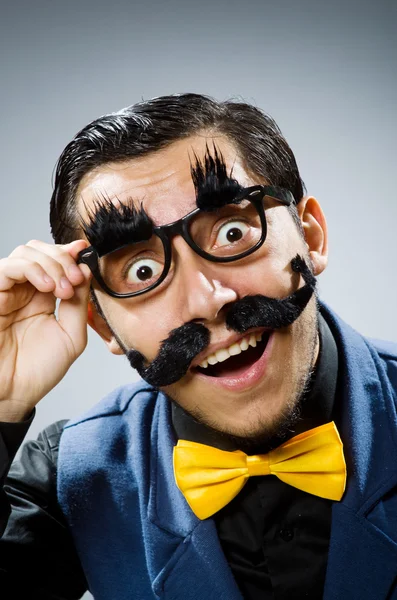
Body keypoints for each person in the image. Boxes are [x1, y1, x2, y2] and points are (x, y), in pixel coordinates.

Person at [0, 93, 396, 600]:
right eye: (142, 271)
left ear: (310, 238)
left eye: (233, 232)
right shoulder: (69, 473)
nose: (207, 301)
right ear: (102, 324)